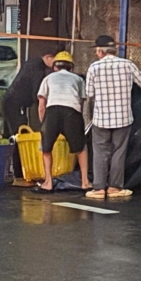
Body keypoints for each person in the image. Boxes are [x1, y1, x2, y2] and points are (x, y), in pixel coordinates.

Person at [85, 34, 141, 199]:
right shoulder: (128, 65)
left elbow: (89, 93)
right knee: (119, 151)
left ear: (100, 51)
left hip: (101, 118)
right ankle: (114, 188)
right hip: (123, 117)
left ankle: (98, 188)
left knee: (100, 152)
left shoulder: (94, 68)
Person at [34, 51, 91, 192]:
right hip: (72, 113)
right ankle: (85, 181)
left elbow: (41, 105)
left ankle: (48, 182)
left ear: (55, 67)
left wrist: (44, 124)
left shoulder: (48, 78)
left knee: (46, 149)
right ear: (71, 67)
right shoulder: (78, 79)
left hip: (52, 112)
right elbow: (82, 102)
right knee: (81, 148)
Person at [0, 47, 57, 137]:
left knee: (10, 136)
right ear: (48, 57)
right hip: (14, 105)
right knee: (20, 134)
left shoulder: (31, 62)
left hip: (8, 101)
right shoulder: (38, 69)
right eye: (55, 62)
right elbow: (36, 94)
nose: (56, 66)